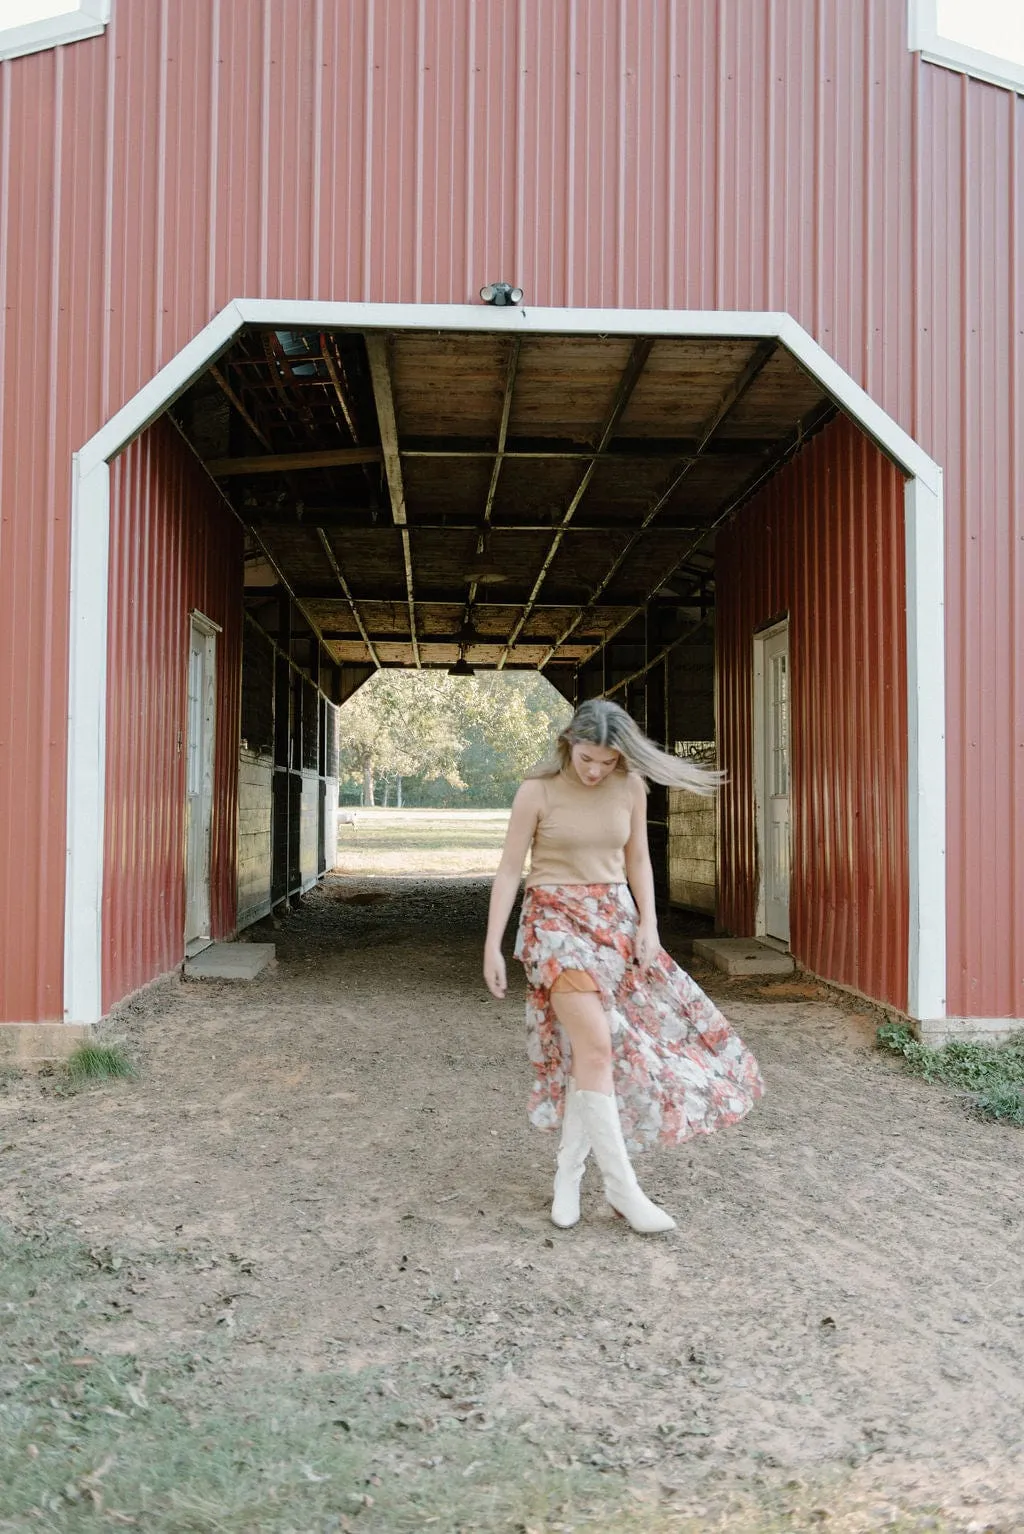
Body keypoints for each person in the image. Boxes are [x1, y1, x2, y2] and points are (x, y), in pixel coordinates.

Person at [483, 699, 764, 1235]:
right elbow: (507, 870)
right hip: (554, 923)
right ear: (569, 744)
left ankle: (568, 1174)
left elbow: (638, 859)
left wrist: (649, 924)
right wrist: (493, 944)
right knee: (596, 1045)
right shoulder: (536, 791)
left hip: (614, 920)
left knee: (596, 1056)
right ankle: (623, 1190)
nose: (595, 771)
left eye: (607, 763)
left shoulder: (630, 788)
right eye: (587, 758)